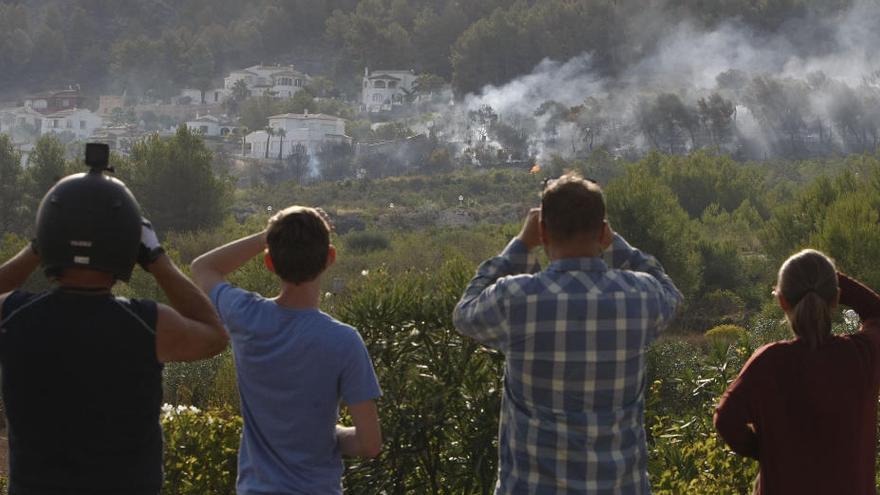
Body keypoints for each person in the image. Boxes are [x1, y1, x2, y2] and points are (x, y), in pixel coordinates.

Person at [0, 146, 228, 495]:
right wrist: (158, 260)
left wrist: (38, 247)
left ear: (48, 239)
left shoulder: (13, 318)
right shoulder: (148, 326)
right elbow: (215, 336)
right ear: (126, 245)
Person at [453, 173, 683, 494]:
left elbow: (465, 313)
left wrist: (519, 246)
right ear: (602, 231)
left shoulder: (517, 299)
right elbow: (670, 293)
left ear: (543, 232)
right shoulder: (639, 296)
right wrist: (619, 246)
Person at [190, 205, 382, 495]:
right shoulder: (344, 342)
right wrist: (330, 435)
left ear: (269, 262)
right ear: (330, 257)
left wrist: (270, 234)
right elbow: (370, 444)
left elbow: (203, 267)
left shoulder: (246, 316)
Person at [714, 250, 880, 494]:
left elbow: (726, 419)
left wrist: (766, 451)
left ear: (782, 301)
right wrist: (829, 278)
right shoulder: (862, 356)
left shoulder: (768, 363)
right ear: (835, 299)